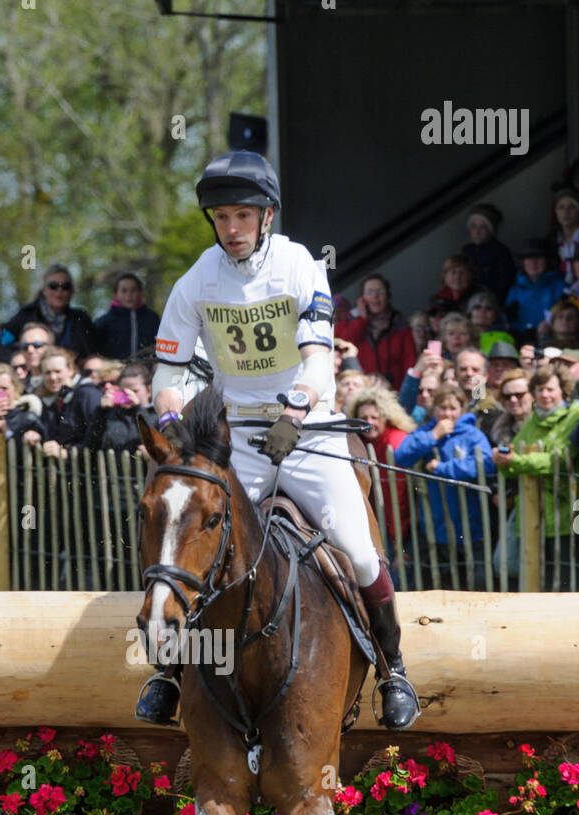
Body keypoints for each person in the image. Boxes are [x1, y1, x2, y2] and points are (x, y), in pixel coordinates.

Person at [139, 150, 420, 730]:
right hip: (237, 430)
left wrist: (295, 412)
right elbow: (168, 373)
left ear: (267, 215)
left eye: (242, 216)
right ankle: (168, 670)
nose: (231, 229)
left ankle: (393, 669)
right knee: (188, 527)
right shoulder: (196, 281)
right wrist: (170, 419)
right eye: (220, 218)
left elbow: (318, 362)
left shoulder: (300, 267)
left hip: (306, 424)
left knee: (356, 545)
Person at [393, 383, 495, 586]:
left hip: (470, 523)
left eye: (453, 408)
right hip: (436, 524)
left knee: (476, 582)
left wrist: (443, 469)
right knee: (443, 583)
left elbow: (484, 464)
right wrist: (433, 436)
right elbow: (401, 456)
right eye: (442, 408)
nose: (447, 413)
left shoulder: (471, 434)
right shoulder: (427, 431)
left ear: (462, 410)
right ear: (434, 409)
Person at [493, 361, 579, 585]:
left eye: (550, 389)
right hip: (532, 516)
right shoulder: (532, 420)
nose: (545, 395)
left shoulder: (575, 415)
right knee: (536, 582)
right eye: (540, 389)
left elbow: (561, 459)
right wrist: (505, 461)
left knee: (565, 581)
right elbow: (512, 463)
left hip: (566, 514)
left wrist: (516, 461)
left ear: (563, 390)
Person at [350, 386, 416, 577]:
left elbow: (398, 499)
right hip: (380, 525)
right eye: (363, 418)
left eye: (374, 417)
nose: (369, 423)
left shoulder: (395, 442)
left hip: (403, 530)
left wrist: (399, 544)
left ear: (385, 417)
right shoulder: (360, 444)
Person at [335, 272, 418, 389]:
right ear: (362, 298)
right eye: (369, 292)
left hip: (394, 392)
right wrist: (361, 320)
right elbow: (341, 344)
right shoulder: (350, 321)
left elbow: (409, 364)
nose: (375, 296)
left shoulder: (401, 326)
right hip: (359, 391)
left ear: (388, 296)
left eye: (380, 291)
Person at [1, 264, 98, 361]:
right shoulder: (26, 315)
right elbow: (3, 342)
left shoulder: (81, 319)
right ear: (44, 290)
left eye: (65, 286)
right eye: (53, 286)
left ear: (71, 291)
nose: (59, 291)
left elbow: (92, 353)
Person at [504, 239, 566, 335]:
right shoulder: (514, 291)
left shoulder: (560, 288)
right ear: (523, 262)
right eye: (529, 258)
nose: (533, 263)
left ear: (547, 261)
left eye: (539, 258)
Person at [93, 272, 160, 358]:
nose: (129, 295)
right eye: (124, 291)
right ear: (115, 295)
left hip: (149, 367)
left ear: (141, 293)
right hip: (114, 369)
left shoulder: (152, 319)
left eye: (134, 290)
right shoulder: (104, 322)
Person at [462, 203, 517, 304]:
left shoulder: (501, 252)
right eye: (473, 226)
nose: (477, 232)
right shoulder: (466, 251)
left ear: (491, 230)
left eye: (482, 227)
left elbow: (504, 286)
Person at [464, 290, 515, 355]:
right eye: (477, 307)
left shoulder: (503, 339)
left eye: (488, 308)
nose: (482, 311)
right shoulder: (460, 335)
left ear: (495, 315)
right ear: (470, 312)